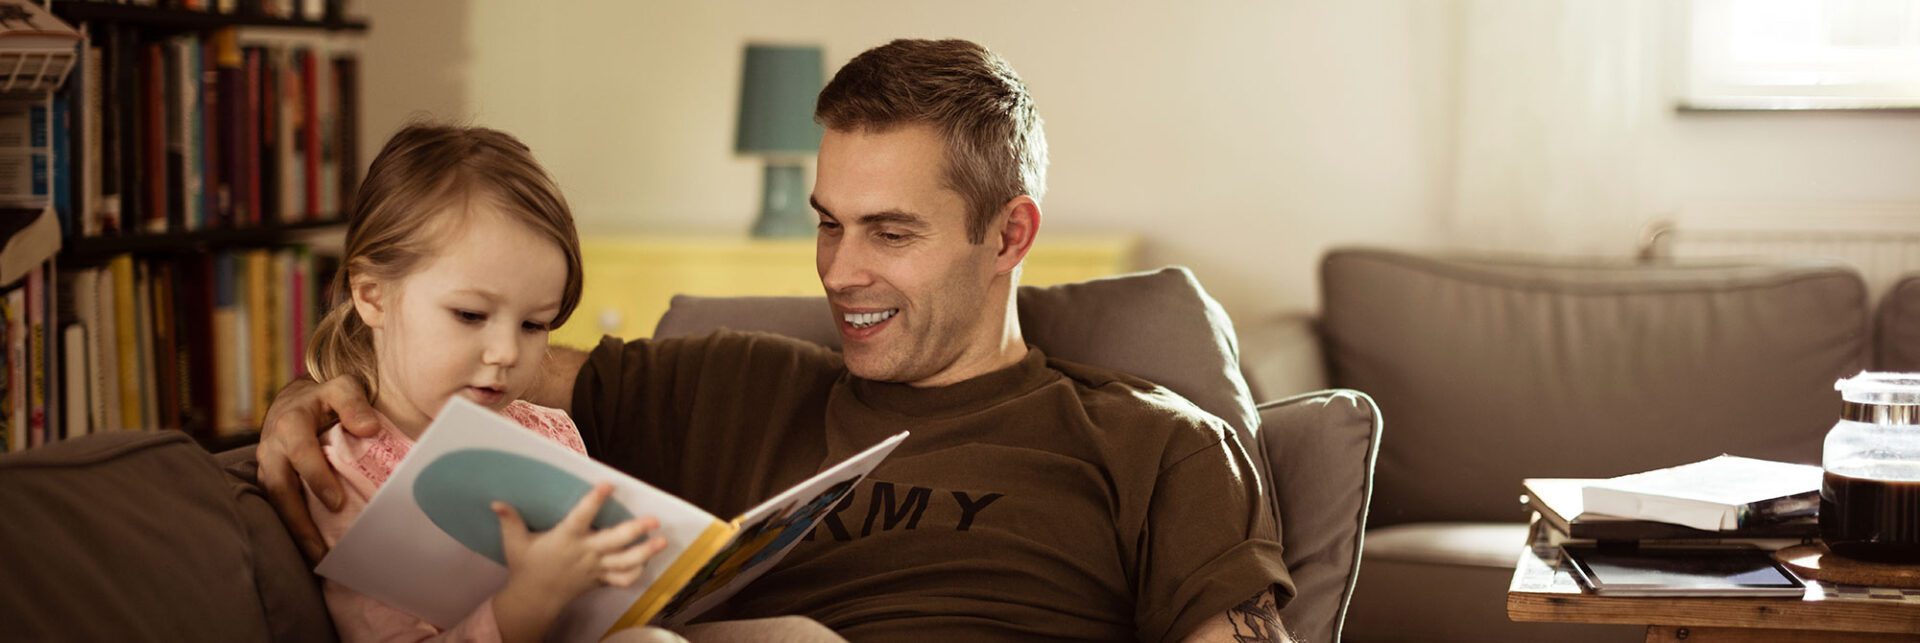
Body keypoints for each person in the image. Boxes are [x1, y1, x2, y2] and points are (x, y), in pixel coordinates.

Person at [263, 40, 1296, 642]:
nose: (841, 271)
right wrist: (311, 397)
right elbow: (461, 365)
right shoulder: (732, 384)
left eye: (890, 232)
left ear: (1008, 234)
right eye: (827, 222)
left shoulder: (1154, 442)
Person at [298, 124, 674, 642]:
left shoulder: (551, 435)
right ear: (373, 296)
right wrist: (528, 601)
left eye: (534, 324)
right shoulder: (343, 473)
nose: (506, 354)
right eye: (471, 315)